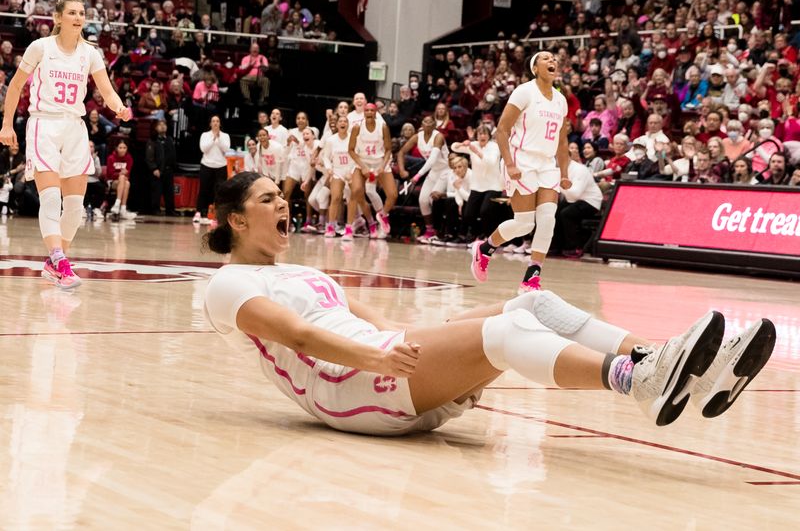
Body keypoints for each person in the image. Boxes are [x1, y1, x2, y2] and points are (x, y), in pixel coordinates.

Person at [203, 172, 776, 437]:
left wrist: (425, 346)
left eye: (282, 195)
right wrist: (380, 358)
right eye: (268, 198)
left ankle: (678, 370)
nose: (285, 203)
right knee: (503, 335)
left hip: (380, 360)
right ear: (235, 219)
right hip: (348, 384)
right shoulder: (227, 286)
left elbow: (367, 317)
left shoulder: (297, 268)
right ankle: (639, 381)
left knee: (533, 304)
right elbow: (298, 338)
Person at [0, 0, 132, 288]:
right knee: (50, 197)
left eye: (81, 13)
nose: (77, 17)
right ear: (58, 18)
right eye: (71, 13)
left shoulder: (90, 53)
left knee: (74, 206)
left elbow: (107, 92)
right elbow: (16, 86)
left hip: (74, 127)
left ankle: (54, 263)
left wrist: (119, 107)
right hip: (43, 123)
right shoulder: (41, 47)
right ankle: (59, 259)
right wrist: (7, 123)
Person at [472, 52, 570, 293]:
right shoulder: (524, 92)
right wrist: (510, 163)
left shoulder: (560, 100)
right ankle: (485, 249)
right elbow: (502, 129)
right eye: (545, 58)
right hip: (522, 159)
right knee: (524, 224)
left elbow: (562, 141)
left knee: (547, 219)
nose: (552, 61)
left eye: (554, 58)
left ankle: (532, 276)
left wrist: (564, 172)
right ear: (535, 68)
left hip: (547, 164)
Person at [397, 115, 451, 243]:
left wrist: (417, 175)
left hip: (445, 170)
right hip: (433, 171)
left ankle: (440, 232)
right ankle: (429, 230)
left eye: (430, 122)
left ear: (434, 125)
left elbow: (432, 160)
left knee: (434, 198)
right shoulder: (417, 136)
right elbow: (401, 153)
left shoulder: (438, 137)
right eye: (425, 122)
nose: (427, 124)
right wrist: (401, 169)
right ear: (422, 124)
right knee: (422, 200)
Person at [348, 103, 395, 240]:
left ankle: (382, 214)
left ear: (376, 113)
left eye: (371, 110)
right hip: (363, 161)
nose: (369, 112)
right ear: (363, 113)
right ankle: (369, 221)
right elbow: (351, 150)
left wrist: (382, 166)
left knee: (393, 195)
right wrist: (363, 167)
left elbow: (388, 149)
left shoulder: (383, 126)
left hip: (380, 161)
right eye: (366, 110)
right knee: (356, 191)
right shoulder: (357, 127)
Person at [451, 125, 504, 243]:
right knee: (468, 214)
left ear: (489, 136)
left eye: (485, 133)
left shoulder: (494, 147)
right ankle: (477, 235)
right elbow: (454, 147)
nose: (482, 136)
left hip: (493, 186)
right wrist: (462, 144)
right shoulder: (473, 144)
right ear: (477, 136)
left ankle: (488, 237)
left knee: (485, 211)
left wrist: (477, 152)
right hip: (477, 186)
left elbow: (490, 163)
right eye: (480, 134)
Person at [320, 115, 355, 238]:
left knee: (351, 199)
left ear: (348, 124)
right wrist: (329, 167)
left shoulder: (353, 138)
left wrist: (352, 171)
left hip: (351, 171)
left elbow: (358, 155)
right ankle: (330, 227)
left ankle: (349, 228)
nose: (343, 123)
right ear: (337, 124)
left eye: (345, 121)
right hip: (337, 170)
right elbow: (325, 156)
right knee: (335, 198)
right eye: (340, 121)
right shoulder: (331, 140)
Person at [195, 115, 230, 225]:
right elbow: (203, 149)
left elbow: (226, 149)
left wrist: (218, 138)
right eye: (213, 121)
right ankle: (199, 213)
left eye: (217, 121)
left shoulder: (225, 136)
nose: (215, 123)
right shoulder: (205, 135)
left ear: (220, 124)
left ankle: (217, 215)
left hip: (221, 166)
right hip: (206, 165)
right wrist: (213, 138)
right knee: (204, 189)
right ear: (210, 124)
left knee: (219, 191)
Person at [145, 119, 177, 215]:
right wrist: (154, 168)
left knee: (169, 192)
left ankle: (170, 210)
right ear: (155, 127)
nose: (162, 126)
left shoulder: (170, 139)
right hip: (158, 170)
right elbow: (149, 156)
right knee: (157, 192)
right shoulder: (153, 140)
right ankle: (155, 209)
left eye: (164, 124)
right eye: (160, 125)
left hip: (169, 170)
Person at [105, 140, 136, 220]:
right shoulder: (111, 158)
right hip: (112, 181)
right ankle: (119, 205)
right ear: (116, 148)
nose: (122, 150)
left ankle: (121, 208)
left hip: (123, 181)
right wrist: (120, 174)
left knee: (127, 183)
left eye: (124, 148)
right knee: (122, 177)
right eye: (120, 148)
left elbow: (128, 174)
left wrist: (123, 174)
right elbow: (110, 174)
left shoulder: (129, 158)